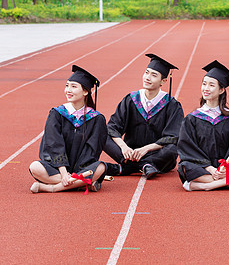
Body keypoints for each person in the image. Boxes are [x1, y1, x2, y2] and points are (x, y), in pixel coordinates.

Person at [177, 60, 229, 191]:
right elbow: (188, 148)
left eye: (211, 85)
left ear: (221, 90)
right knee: (185, 166)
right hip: (202, 167)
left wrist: (224, 168)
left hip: (225, 167)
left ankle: (208, 185)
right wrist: (210, 168)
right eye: (204, 84)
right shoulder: (192, 118)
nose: (206, 88)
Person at [104, 54, 184, 179]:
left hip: (156, 153)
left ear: (163, 81)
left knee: (173, 148)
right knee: (103, 135)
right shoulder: (131, 99)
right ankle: (144, 166)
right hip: (130, 152)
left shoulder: (171, 105)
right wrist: (124, 147)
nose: (148, 77)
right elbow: (113, 127)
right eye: (147, 73)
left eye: (154, 75)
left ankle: (128, 167)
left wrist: (146, 149)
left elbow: (172, 137)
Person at [29, 65, 107, 193]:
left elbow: (92, 150)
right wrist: (64, 173)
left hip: (82, 168)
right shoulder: (57, 113)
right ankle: (80, 184)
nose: (68, 90)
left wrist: (76, 172)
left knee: (101, 167)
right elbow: (54, 143)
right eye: (67, 86)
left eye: (73, 86)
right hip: (57, 167)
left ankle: (52, 188)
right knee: (35, 167)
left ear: (85, 92)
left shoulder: (96, 119)